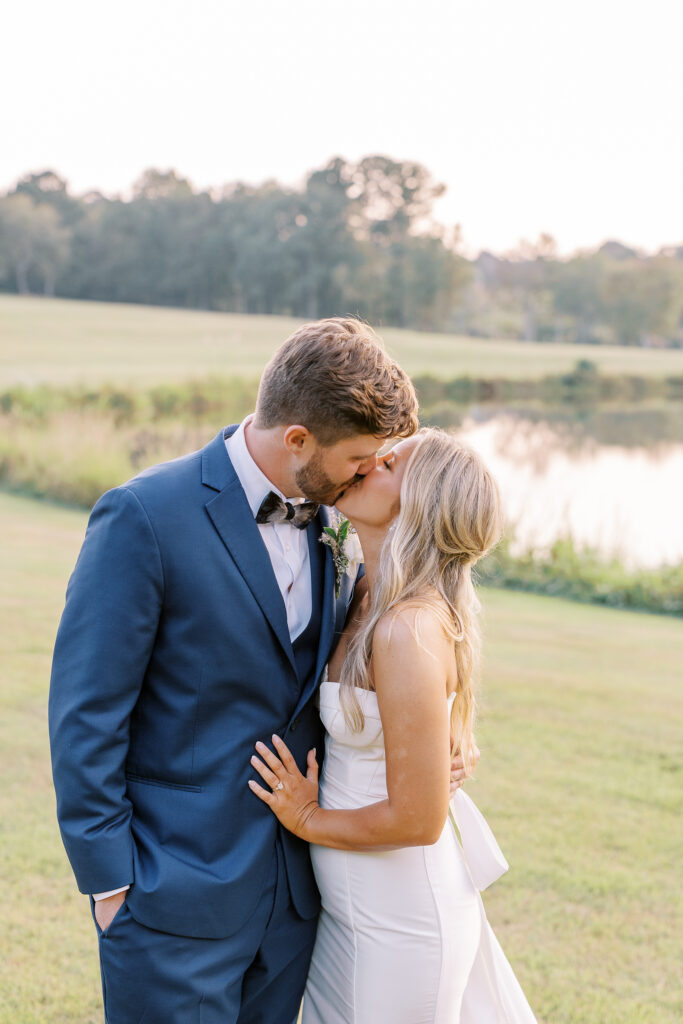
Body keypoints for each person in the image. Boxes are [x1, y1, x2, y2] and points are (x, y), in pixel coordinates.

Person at [48, 317, 472, 1024]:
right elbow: (85, 714)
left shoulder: (335, 526)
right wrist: (111, 883)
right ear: (298, 440)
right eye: (360, 459)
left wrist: (436, 744)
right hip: (169, 896)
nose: (369, 474)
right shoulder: (145, 517)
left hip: (297, 903)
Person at [249, 427, 538, 1023]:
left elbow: (419, 818)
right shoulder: (360, 590)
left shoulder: (407, 628)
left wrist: (307, 818)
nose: (366, 464)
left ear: (420, 503)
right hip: (347, 908)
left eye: (388, 464)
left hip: (402, 919)